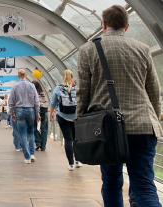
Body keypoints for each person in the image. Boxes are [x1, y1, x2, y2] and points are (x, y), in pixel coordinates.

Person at [76, 5, 163, 207]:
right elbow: (154, 91)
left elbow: (83, 92)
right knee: (144, 185)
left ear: (103, 24)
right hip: (143, 126)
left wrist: (81, 125)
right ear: (127, 25)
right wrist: (154, 118)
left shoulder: (88, 50)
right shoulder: (143, 49)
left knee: (112, 183)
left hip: (107, 129)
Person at [50, 69, 81, 170]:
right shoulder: (77, 87)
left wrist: (51, 113)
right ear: (72, 77)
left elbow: (53, 103)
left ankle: (71, 164)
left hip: (63, 116)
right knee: (76, 139)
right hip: (76, 117)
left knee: (68, 139)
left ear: (63, 77)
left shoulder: (58, 88)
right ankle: (78, 160)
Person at [8, 69, 40, 164]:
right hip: (30, 110)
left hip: (19, 110)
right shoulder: (32, 85)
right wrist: (37, 114)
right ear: (26, 75)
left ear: (18, 76)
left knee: (22, 133)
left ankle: (27, 157)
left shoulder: (15, 87)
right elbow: (36, 101)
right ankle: (32, 154)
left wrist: (12, 113)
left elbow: (11, 102)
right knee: (31, 132)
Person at [32, 80, 49, 151]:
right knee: (44, 129)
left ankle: (38, 142)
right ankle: (43, 146)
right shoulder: (43, 94)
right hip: (44, 112)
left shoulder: (32, 94)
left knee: (34, 127)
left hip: (35, 113)